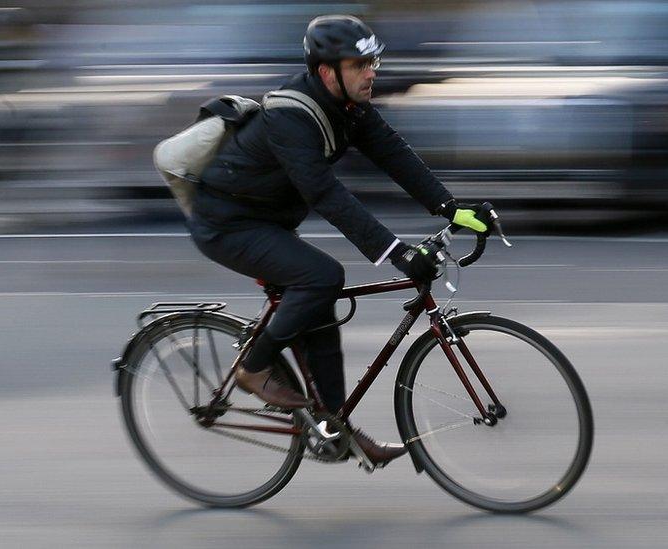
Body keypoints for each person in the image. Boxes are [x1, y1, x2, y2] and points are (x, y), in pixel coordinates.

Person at [187, 15, 490, 465]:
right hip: (226, 223)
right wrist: (397, 253)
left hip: (267, 221)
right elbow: (324, 193)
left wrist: (450, 207)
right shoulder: (290, 115)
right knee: (322, 276)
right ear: (328, 71)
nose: (372, 72)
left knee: (321, 308)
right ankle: (254, 368)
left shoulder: (349, 108)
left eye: (374, 62)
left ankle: (332, 429)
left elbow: (394, 154)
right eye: (360, 64)